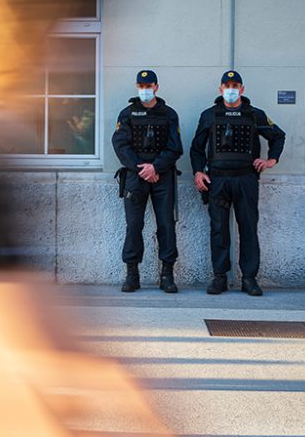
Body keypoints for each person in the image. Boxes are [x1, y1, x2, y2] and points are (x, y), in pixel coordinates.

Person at [190, 70, 285, 296]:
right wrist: (197, 172)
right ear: (220, 89)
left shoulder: (254, 114)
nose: (231, 89)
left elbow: (278, 136)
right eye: (227, 85)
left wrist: (271, 160)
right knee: (219, 229)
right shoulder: (209, 115)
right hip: (218, 180)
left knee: (248, 228)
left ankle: (249, 279)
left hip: (245, 179)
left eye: (235, 85)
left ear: (242, 89)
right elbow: (196, 148)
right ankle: (219, 277)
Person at [111, 69, 182, 293]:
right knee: (134, 226)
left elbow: (175, 147)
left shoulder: (169, 114)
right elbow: (120, 145)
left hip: (163, 176)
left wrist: (156, 167)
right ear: (137, 87)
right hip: (135, 176)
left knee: (166, 225)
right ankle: (132, 274)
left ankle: (167, 275)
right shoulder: (127, 113)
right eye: (141, 86)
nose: (145, 90)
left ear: (156, 87)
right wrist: (142, 168)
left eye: (149, 86)